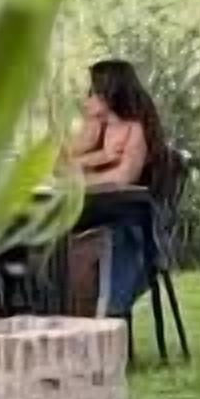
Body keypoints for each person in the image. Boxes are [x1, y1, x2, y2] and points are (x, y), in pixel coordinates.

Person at [63, 58, 166, 317]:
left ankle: (104, 310)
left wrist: (80, 178)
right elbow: (59, 164)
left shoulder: (136, 130)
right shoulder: (98, 128)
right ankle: (55, 306)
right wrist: (98, 154)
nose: (88, 99)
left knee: (98, 241)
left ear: (111, 94)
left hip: (128, 216)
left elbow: (123, 179)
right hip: (93, 210)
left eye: (94, 92)